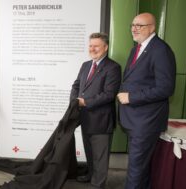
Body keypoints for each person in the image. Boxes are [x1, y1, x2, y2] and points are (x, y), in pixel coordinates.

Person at [117, 13, 176, 189]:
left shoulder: (161, 50)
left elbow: (165, 88)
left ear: (152, 27)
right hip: (135, 119)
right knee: (140, 168)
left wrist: (131, 97)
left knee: (136, 169)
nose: (134, 28)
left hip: (146, 121)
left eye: (140, 25)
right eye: (133, 25)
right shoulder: (135, 49)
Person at [70, 32, 121, 189]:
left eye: (96, 46)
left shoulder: (113, 67)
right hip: (85, 118)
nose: (92, 49)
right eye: (90, 45)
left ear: (105, 47)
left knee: (100, 156)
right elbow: (76, 85)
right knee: (90, 153)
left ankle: (98, 184)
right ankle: (91, 175)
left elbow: (109, 94)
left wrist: (85, 102)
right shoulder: (86, 65)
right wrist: (74, 101)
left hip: (101, 120)